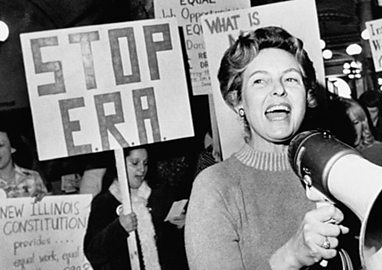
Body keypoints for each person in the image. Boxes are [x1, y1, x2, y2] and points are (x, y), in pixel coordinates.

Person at [185, 26, 355, 270]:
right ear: (237, 101)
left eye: (290, 79)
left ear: (307, 96)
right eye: (260, 81)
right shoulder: (216, 185)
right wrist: (289, 258)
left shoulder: (334, 166)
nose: (278, 89)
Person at [83, 146, 187, 270]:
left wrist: (182, 225)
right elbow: (93, 253)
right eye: (135, 163)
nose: (142, 169)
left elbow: (173, 251)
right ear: (118, 164)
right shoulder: (105, 202)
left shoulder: (158, 197)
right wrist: (119, 228)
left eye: (145, 163)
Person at [0, 129, 47, 199]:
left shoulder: (33, 177)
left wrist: (43, 199)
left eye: (0, 145)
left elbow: (47, 207)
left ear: (12, 148)